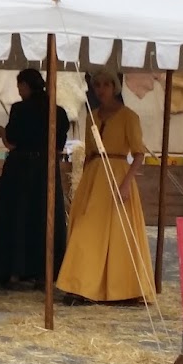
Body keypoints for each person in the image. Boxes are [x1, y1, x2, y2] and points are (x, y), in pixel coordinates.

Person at [56, 68, 156, 305]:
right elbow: (89, 153)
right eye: (97, 85)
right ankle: (80, 286)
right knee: (85, 231)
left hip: (117, 177)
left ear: (114, 88)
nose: (101, 90)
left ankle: (121, 289)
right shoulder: (92, 117)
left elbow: (139, 154)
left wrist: (126, 183)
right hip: (94, 178)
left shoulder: (129, 117)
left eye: (106, 85)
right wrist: (84, 184)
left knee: (118, 235)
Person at [0, 69, 69, 289]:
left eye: (19, 86)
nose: (19, 91)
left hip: (21, 169)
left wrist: (2, 133)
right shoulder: (59, 112)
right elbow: (59, 147)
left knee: (18, 218)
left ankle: (15, 271)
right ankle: (44, 273)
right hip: (47, 170)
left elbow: (12, 143)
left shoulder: (20, 109)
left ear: (25, 85)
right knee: (44, 219)